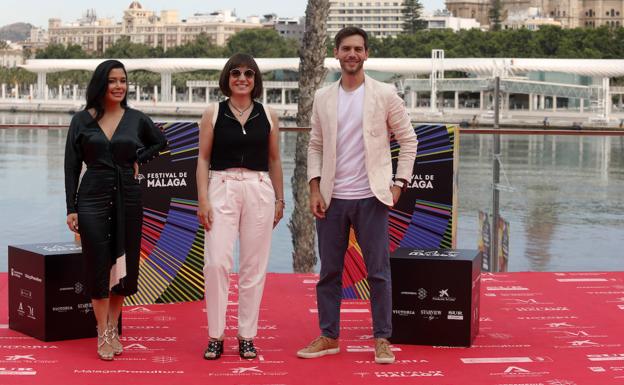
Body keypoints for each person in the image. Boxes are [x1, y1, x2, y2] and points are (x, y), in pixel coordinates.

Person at [297, 27, 418, 364]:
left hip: (372, 197)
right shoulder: (323, 97)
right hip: (332, 198)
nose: (352, 54)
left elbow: (409, 141)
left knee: (378, 272)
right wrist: (314, 189)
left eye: (358, 49)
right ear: (336, 53)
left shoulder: (385, 94)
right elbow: (316, 145)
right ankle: (329, 335)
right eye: (346, 49)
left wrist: (398, 186)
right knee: (329, 273)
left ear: (366, 54)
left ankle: (382, 338)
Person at [64, 59, 167, 361]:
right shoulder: (81, 120)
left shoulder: (136, 118)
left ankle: (113, 325)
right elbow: (72, 167)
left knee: (123, 265)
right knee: (98, 263)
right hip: (92, 197)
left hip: (128, 197)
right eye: (112, 80)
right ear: (101, 84)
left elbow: (160, 141)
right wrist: (71, 208)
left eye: (123, 80)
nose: (119, 86)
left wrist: (140, 158)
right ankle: (102, 331)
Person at [196, 53, 284, 360]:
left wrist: (280, 198)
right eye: (236, 73)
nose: (242, 78)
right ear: (227, 78)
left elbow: (274, 160)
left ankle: (247, 335)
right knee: (216, 262)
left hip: (260, 189)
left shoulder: (269, 115)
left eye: (249, 73)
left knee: (253, 267)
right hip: (221, 187)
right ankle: (215, 335)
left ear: (256, 79)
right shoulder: (213, 113)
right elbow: (203, 159)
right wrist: (203, 199)